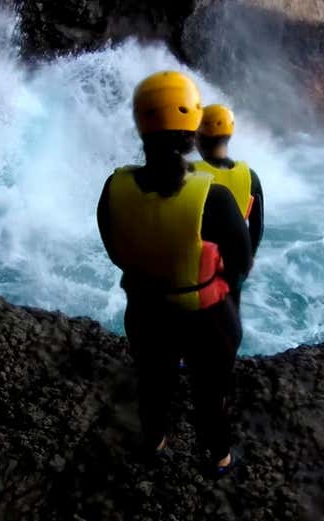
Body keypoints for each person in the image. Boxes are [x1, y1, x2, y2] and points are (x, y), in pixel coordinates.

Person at [96, 71, 251, 475]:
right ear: (190, 135)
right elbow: (241, 261)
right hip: (205, 318)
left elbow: (115, 249)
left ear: (142, 126)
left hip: (146, 312)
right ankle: (218, 457)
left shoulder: (113, 187)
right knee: (209, 391)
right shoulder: (212, 197)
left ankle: (155, 442)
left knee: (153, 382)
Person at [193, 104, 264, 282]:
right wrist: (250, 257)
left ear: (198, 138)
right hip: (233, 266)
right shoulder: (250, 176)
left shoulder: (190, 174)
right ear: (229, 137)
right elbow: (257, 226)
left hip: (197, 268)